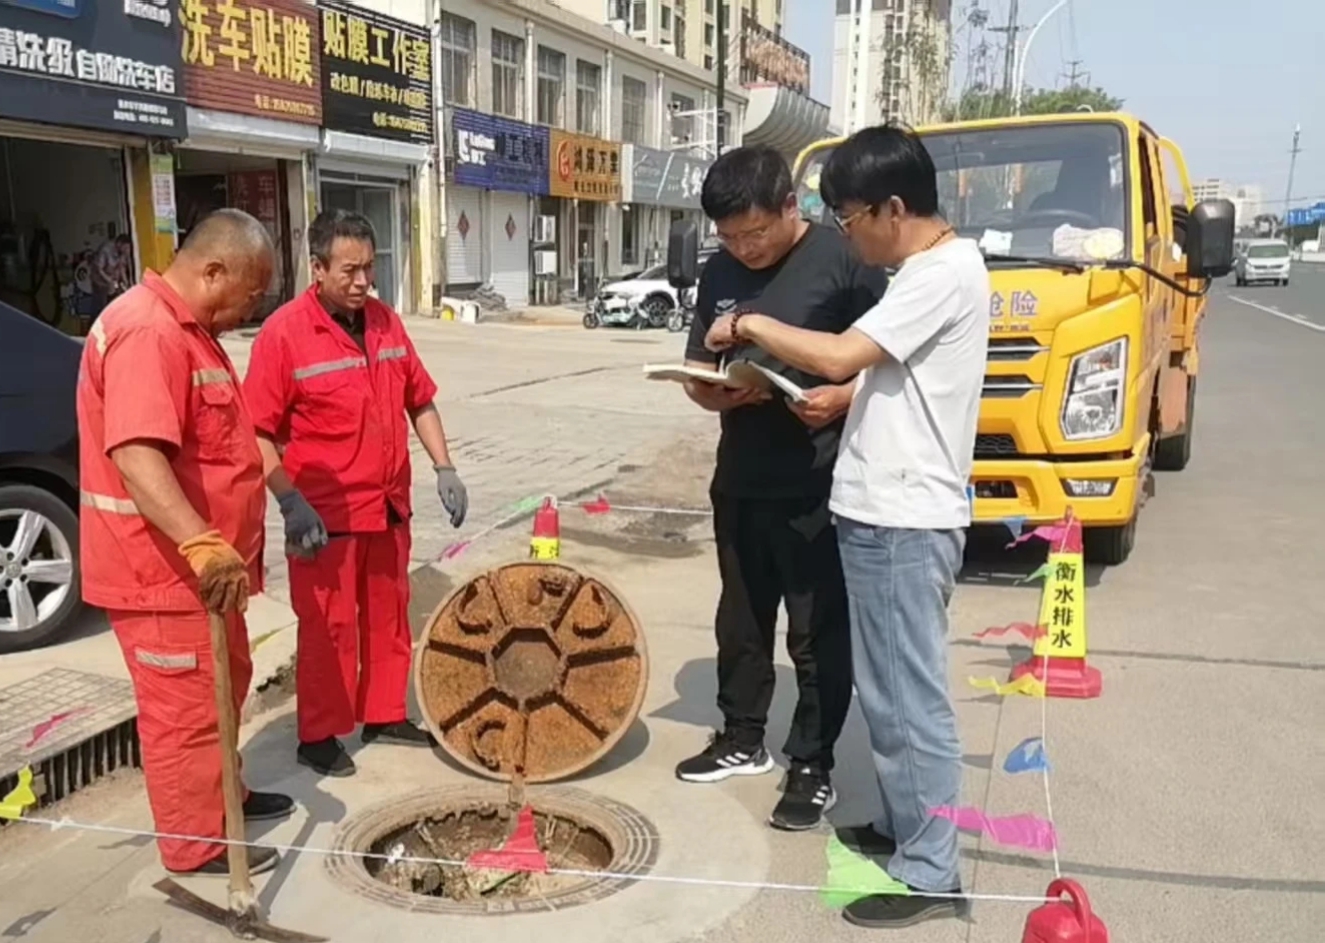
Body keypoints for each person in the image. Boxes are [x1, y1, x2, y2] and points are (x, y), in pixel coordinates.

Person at [704, 125, 990, 928]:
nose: (847, 234)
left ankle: (930, 868)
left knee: (909, 701)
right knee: (888, 696)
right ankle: (904, 826)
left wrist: (749, 325)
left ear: (892, 208)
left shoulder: (940, 273)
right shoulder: (919, 274)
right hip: (877, 510)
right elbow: (889, 378)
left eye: (849, 217)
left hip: (904, 517)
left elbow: (837, 356)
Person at [675, 144, 888, 831]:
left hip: (819, 479)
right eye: (730, 237)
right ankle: (742, 736)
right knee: (740, 618)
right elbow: (697, 366)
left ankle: (811, 762)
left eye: (756, 233)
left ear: (791, 206)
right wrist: (714, 394)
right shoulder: (719, 270)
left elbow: (890, 363)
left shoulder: (844, 258)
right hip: (741, 473)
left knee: (815, 629)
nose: (745, 248)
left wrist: (842, 397)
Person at [77, 209, 292, 877]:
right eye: (249, 295)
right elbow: (137, 455)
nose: (249, 310)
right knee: (186, 712)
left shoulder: (188, 329)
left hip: (204, 575)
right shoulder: (149, 332)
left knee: (222, 687)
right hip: (162, 573)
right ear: (213, 270)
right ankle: (195, 845)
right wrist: (200, 542)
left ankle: (223, 798)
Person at [243, 209, 468, 778]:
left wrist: (444, 466)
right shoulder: (285, 335)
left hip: (388, 507)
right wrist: (289, 501)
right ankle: (318, 735)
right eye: (350, 270)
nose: (364, 281)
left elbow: (419, 399)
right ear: (318, 268)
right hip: (325, 518)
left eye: (369, 268)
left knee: (389, 618)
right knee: (330, 629)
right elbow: (257, 432)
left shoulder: (386, 323)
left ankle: (385, 714)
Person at [90, 233, 133, 312]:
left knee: (114, 298)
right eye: (125, 247)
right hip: (100, 280)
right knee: (101, 305)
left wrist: (127, 282)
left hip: (112, 278)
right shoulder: (106, 250)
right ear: (119, 244)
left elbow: (122, 267)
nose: (126, 250)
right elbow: (99, 269)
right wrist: (109, 280)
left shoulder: (122, 252)